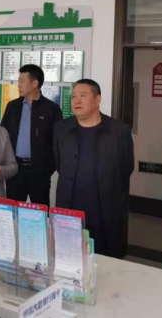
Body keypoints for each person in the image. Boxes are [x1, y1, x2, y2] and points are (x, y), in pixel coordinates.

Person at [53, 79, 134, 258]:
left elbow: (126, 167)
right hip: (70, 206)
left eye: (83, 95)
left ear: (97, 100)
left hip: (106, 208)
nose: (76, 100)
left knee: (107, 258)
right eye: (73, 96)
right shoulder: (61, 129)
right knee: (70, 256)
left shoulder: (119, 130)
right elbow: (59, 163)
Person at [1, 64, 62, 205]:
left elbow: (58, 143)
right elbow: (3, 135)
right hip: (15, 170)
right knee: (13, 212)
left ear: (35, 83)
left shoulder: (51, 109)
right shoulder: (12, 106)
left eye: (22, 81)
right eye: (19, 81)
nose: (19, 85)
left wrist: (47, 169)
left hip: (40, 172)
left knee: (40, 213)